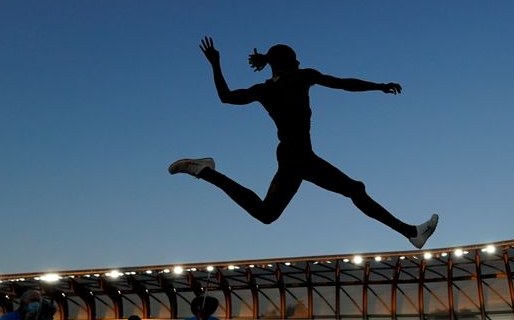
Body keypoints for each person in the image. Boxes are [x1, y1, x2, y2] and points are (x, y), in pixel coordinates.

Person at [169, 37, 438, 250]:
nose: (299, 63)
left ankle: (205, 171)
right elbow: (343, 83)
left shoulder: (264, 90)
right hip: (297, 155)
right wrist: (379, 86)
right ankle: (411, 233)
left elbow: (226, 97)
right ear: (288, 62)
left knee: (267, 214)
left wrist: (215, 64)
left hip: (291, 155)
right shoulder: (299, 77)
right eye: (295, 60)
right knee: (355, 190)